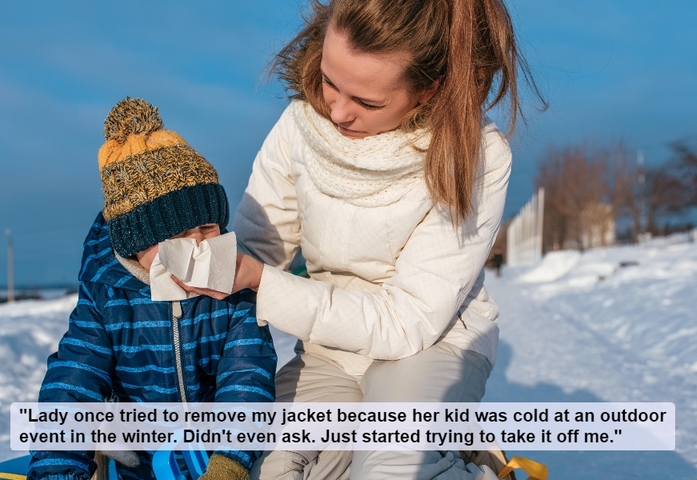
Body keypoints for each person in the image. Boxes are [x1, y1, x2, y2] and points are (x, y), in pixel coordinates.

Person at [166, 0, 540, 478]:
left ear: (429, 90)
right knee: (264, 466)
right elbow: (259, 250)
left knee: (388, 469)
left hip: (431, 344)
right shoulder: (301, 125)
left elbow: (407, 323)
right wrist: (167, 268)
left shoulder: (475, 156)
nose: (337, 111)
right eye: (329, 80)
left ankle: (461, 465)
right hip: (329, 352)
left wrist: (259, 280)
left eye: (366, 102)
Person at [27, 98, 277, 480]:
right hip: (141, 464)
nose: (198, 245)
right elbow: (72, 382)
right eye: (178, 235)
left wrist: (229, 459)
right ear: (135, 242)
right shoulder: (108, 297)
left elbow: (247, 374)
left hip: (218, 460)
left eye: (208, 228)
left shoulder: (231, 286)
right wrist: (55, 470)